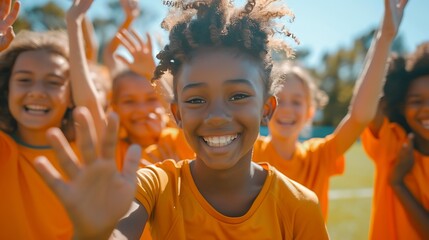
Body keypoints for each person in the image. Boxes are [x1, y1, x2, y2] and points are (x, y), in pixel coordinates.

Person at [34, 0, 329, 239]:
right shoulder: (154, 184)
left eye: (238, 96)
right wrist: (93, 233)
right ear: (177, 114)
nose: (216, 116)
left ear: (267, 107)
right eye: (196, 100)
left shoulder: (299, 206)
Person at [252, 0, 408, 221]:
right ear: (265, 108)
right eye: (279, 100)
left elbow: (360, 117)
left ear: (310, 111)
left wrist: (385, 36)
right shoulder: (248, 150)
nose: (286, 109)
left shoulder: (319, 156)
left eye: (296, 101)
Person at [0, 0, 78, 238]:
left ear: (71, 95)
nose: (37, 92)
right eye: (24, 79)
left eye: (53, 82)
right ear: (6, 89)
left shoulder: (93, 154)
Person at [362, 41, 429, 239]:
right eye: (416, 101)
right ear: (400, 106)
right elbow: (367, 102)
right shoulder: (394, 145)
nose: (426, 109)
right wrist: (386, 35)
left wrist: (398, 182)